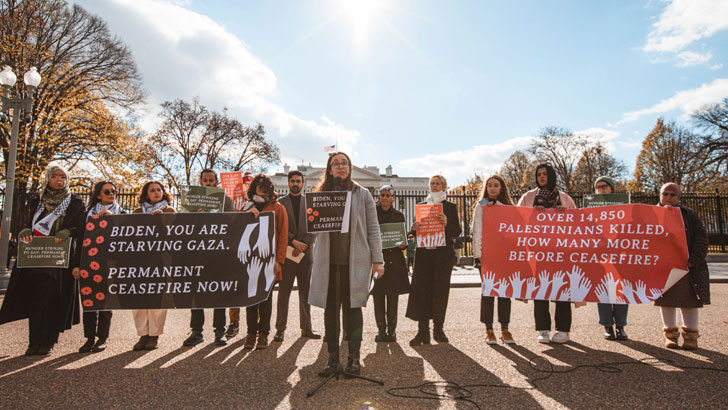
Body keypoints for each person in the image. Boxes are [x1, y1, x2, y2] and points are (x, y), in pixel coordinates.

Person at [309, 152, 384, 377]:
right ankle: (333, 359)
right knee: (330, 311)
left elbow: (373, 228)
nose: (340, 167)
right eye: (336, 164)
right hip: (328, 264)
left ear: (350, 168)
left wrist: (377, 260)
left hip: (355, 262)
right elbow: (312, 229)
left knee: (353, 310)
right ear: (329, 169)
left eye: (344, 163)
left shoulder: (362, 194)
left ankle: (354, 358)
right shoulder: (320, 194)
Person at [0, 165, 84, 356]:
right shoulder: (36, 200)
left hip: (58, 260)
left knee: (53, 299)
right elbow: (23, 221)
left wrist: (69, 231)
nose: (59, 180)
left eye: (63, 177)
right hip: (34, 257)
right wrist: (25, 228)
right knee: (36, 299)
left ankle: (48, 340)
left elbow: (81, 228)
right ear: (48, 178)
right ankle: (34, 341)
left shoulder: (74, 202)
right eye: (55, 176)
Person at [517, 164, 577, 344]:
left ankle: (563, 330)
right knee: (540, 290)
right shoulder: (528, 197)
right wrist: (532, 214)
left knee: (562, 291)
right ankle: (543, 329)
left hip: (561, 252)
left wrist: (566, 214)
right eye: (539, 174)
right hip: (538, 252)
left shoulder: (565, 198)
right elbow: (516, 220)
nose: (542, 177)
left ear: (551, 176)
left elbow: (578, 225)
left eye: (545, 174)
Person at [406, 174, 462, 346]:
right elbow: (412, 233)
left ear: (444, 186)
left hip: (442, 256)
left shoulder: (450, 207)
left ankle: (438, 329)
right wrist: (414, 228)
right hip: (423, 255)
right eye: (432, 183)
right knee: (421, 291)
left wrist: (447, 223)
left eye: (438, 183)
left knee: (440, 291)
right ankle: (423, 331)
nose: (434, 186)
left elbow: (457, 231)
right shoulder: (422, 206)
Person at [183, 169, 236, 347]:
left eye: (211, 180)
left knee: (218, 294)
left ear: (216, 182)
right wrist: (195, 217)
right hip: (197, 253)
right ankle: (196, 331)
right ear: (201, 182)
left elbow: (233, 223)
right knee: (196, 294)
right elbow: (182, 227)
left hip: (218, 253)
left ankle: (219, 332)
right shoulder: (191, 201)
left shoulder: (226, 201)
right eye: (205, 180)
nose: (208, 183)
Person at [655, 183, 710, 350]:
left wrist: (693, 260)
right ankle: (671, 336)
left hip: (687, 268)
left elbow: (701, 239)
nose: (669, 198)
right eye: (666, 194)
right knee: (666, 302)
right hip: (664, 268)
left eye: (673, 194)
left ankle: (691, 337)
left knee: (689, 302)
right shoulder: (652, 214)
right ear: (660, 196)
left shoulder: (690, 215)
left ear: (679, 197)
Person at [241, 173, 288, 350]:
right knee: (251, 298)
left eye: (265, 187)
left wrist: (280, 261)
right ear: (253, 188)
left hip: (270, 260)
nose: (261, 190)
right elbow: (237, 229)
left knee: (266, 299)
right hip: (250, 261)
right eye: (259, 186)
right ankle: (251, 333)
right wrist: (246, 214)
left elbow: (283, 236)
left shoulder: (278, 208)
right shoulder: (247, 206)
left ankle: (264, 334)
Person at [274, 170, 320, 342]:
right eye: (292, 181)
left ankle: (306, 328)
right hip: (287, 253)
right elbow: (277, 229)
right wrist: (294, 242)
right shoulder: (280, 203)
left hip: (306, 255)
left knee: (305, 292)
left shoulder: (309, 203)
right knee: (283, 293)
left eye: (298, 181)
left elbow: (315, 227)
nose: (295, 183)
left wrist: (305, 245)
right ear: (288, 183)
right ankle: (280, 329)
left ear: (303, 184)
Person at [79, 181, 125, 353]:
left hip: (109, 263)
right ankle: (89, 338)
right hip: (88, 262)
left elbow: (125, 239)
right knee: (89, 303)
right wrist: (76, 264)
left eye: (113, 191)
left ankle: (102, 338)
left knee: (106, 303)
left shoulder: (121, 212)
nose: (111, 194)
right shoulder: (86, 214)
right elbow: (79, 238)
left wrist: (111, 220)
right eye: (107, 192)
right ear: (98, 195)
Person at [131, 181, 176, 351]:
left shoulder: (169, 211)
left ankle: (154, 335)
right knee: (140, 297)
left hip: (161, 260)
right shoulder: (137, 212)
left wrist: (162, 220)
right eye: (152, 190)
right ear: (146, 194)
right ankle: (143, 334)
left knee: (157, 297)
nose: (156, 193)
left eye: (159, 190)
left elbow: (177, 234)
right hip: (140, 260)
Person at [472, 174, 515, 344]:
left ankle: (505, 328)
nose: (492, 188)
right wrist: (478, 255)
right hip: (487, 255)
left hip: (504, 255)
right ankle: (488, 329)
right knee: (488, 292)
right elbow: (477, 231)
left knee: (505, 292)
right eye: (489, 185)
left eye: (496, 185)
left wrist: (497, 206)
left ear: (501, 188)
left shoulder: (508, 207)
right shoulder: (481, 206)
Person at [591, 176, 630, 341]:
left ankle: (620, 326)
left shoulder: (624, 206)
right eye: (598, 187)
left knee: (621, 291)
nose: (601, 189)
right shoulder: (591, 207)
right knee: (603, 291)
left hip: (620, 254)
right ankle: (607, 325)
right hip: (600, 255)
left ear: (612, 189)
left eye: (604, 186)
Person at [371, 185, 410, 342]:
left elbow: (402, 237)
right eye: (382, 195)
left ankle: (392, 330)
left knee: (393, 297)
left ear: (393, 198)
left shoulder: (399, 215)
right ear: (379, 197)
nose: (385, 197)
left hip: (394, 260)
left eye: (388, 195)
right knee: (378, 296)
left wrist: (403, 244)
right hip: (378, 259)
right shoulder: (372, 213)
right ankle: (381, 330)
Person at [226, 170, 255, 339]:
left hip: (252, 251)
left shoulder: (257, 203)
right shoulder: (231, 203)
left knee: (253, 288)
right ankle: (234, 323)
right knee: (235, 290)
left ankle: (255, 324)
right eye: (245, 184)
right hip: (234, 251)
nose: (247, 187)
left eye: (250, 184)